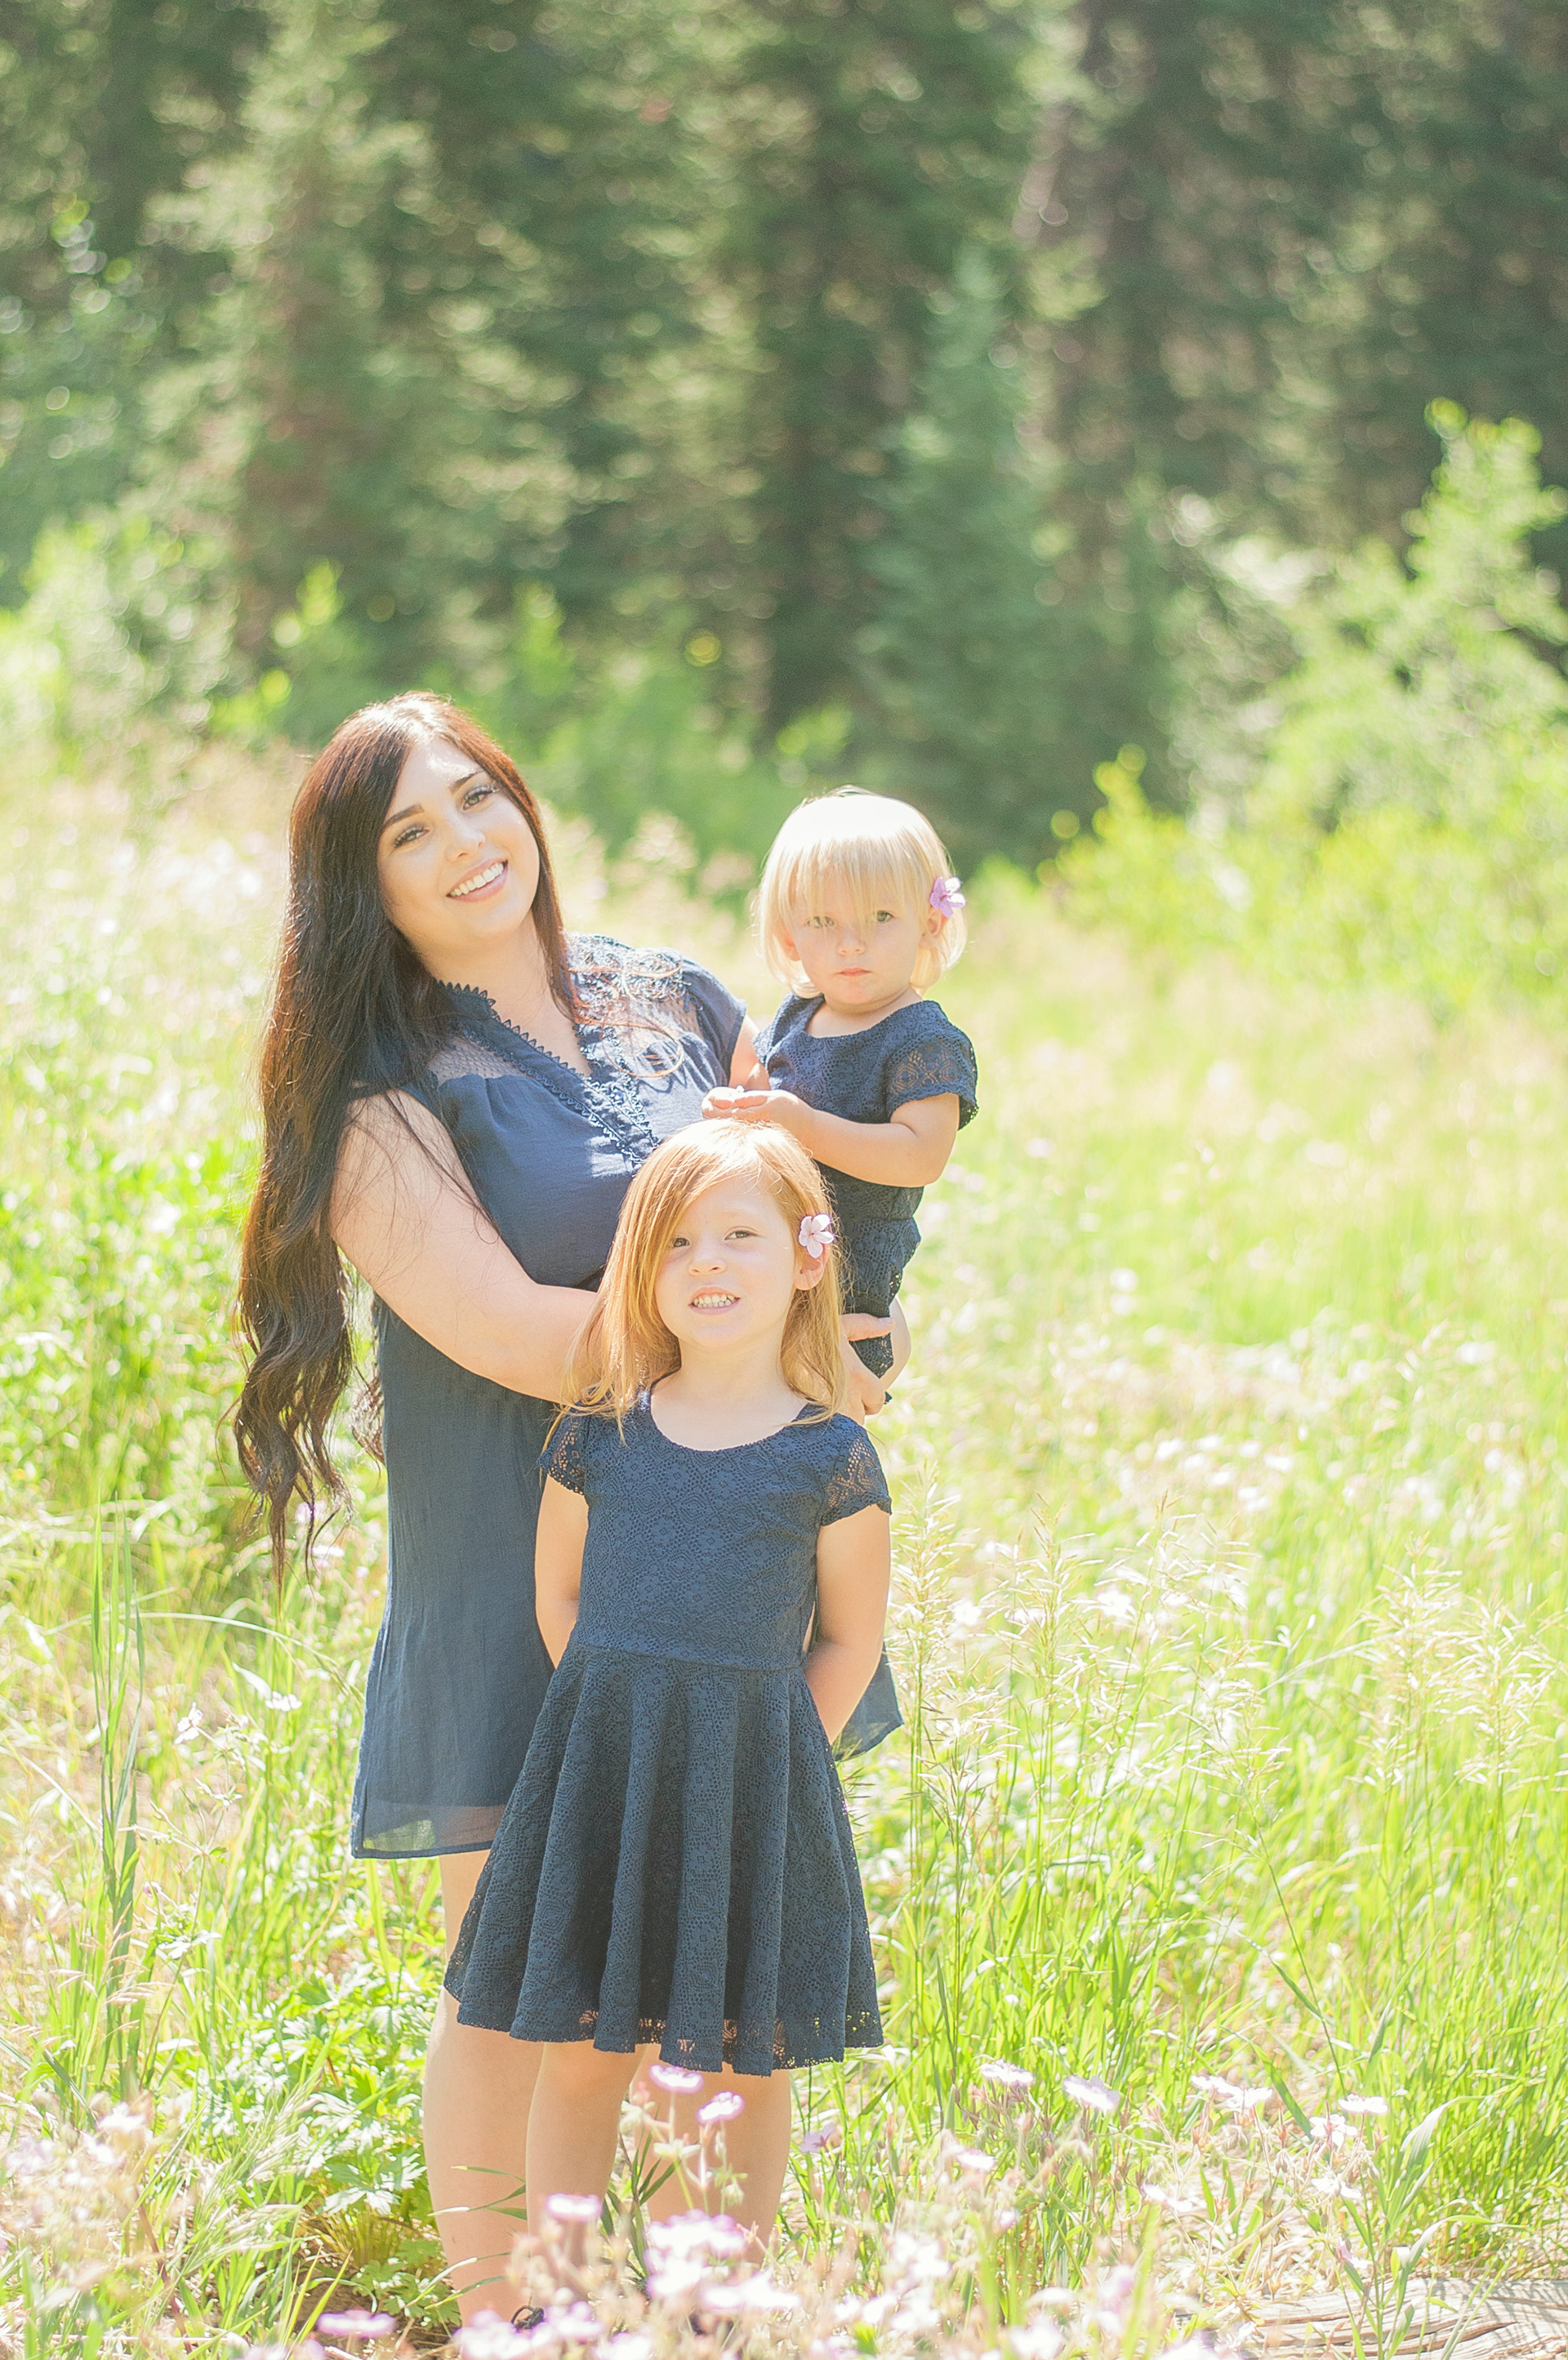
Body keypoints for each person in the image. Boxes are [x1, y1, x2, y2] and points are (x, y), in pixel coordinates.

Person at [232, 695, 906, 2321]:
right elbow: (515, 1330)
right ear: (362, 886)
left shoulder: (671, 994)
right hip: (507, 1554)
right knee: (518, 1986)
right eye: (412, 831)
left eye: (479, 798)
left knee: (712, 1976)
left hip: (726, 1557)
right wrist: (770, 1342)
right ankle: (511, 2320)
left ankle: (695, 2318)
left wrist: (857, 1314)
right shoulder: (378, 1091)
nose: (468, 843)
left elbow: (799, 1198)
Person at [443, 1120, 891, 2264]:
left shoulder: (829, 1455)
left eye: (740, 1235)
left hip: (751, 1788)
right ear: (642, 1270)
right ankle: (563, 2293)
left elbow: (850, 1636)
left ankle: (714, 2305)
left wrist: (772, 1756)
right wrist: (613, 1720)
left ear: (807, 1256)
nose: (707, 1262)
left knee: (745, 2060)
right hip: (605, 1777)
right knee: (581, 2049)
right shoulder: (601, 1438)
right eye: (677, 1241)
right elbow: (559, 1595)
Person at [706, 786, 978, 1383]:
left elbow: (921, 1155)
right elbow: (760, 1094)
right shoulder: (795, 1017)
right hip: (770, 1271)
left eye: (881, 918)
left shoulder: (922, 1040)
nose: (851, 943)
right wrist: (734, 1108)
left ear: (930, 923)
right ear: (789, 936)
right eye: (823, 922)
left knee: (813, 1421)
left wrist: (803, 1126)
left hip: (850, 1292)